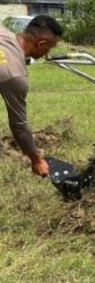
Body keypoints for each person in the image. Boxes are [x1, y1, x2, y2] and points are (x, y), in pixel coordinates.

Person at [0, 15, 63, 176]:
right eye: (50, 48)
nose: (49, 53)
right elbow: (19, 126)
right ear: (41, 44)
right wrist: (36, 159)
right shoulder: (15, 76)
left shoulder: (4, 33)